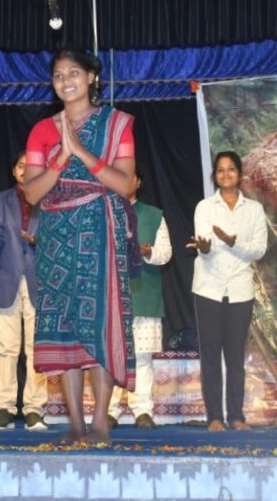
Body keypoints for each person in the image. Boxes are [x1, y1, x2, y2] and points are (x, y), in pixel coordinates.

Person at [22, 48, 138, 444]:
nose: (66, 81)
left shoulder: (116, 124)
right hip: (56, 236)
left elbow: (125, 184)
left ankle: (101, 421)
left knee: (99, 323)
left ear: (91, 77)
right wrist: (60, 159)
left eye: (74, 72)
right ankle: (75, 423)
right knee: (64, 328)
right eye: (58, 75)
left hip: (100, 231)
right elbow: (32, 194)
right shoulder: (42, 130)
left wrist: (81, 152)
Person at [187, 150, 267, 432]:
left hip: (240, 289)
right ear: (215, 176)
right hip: (208, 287)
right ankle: (214, 417)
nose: (226, 174)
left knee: (235, 358)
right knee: (210, 356)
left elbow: (259, 249)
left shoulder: (254, 210)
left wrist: (234, 242)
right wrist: (206, 247)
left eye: (231, 169)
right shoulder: (204, 207)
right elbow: (205, 247)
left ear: (240, 174)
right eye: (220, 170)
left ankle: (236, 416)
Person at [0, 153, 48, 432]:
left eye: (31, 166)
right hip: (5, 281)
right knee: (7, 348)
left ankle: (34, 410)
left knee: (37, 350)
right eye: (20, 166)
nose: (25, 170)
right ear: (14, 171)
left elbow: (59, 241)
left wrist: (39, 240)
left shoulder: (51, 201)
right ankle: (4, 409)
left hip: (40, 281)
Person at [108, 170, 171, 430]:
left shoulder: (154, 215)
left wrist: (149, 252)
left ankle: (142, 411)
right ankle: (109, 411)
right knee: (112, 357)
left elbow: (166, 254)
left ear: (139, 181)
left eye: (130, 176)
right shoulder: (105, 213)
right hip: (112, 295)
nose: (126, 181)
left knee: (142, 356)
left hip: (144, 293)